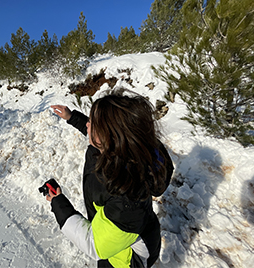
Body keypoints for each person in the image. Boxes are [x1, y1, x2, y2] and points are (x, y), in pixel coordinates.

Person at [43, 91, 174, 268]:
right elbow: (95, 134)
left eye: (93, 123)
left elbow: (94, 244)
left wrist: (59, 204)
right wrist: (72, 117)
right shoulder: (122, 150)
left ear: (110, 135)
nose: (87, 125)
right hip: (121, 235)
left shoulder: (127, 196)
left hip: (125, 259)